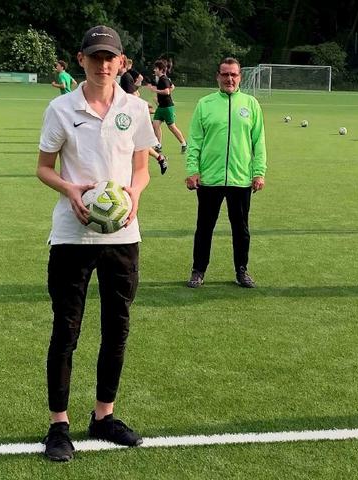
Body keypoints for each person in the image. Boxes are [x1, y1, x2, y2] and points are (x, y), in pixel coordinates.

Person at [36, 25, 158, 462]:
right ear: (81, 60)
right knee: (66, 329)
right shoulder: (60, 108)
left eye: (110, 58)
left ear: (121, 63)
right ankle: (58, 425)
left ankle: (104, 416)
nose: (103, 65)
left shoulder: (136, 109)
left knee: (117, 328)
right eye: (95, 57)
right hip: (72, 236)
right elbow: (44, 167)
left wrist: (135, 195)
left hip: (123, 235)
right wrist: (69, 189)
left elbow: (141, 169)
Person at [185, 57, 266, 289]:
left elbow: (259, 141)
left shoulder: (251, 104)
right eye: (225, 74)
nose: (229, 79)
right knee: (204, 228)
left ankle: (242, 270)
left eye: (233, 75)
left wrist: (259, 172)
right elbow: (195, 141)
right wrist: (192, 170)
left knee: (241, 229)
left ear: (240, 77)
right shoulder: (205, 104)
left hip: (240, 179)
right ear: (218, 77)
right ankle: (198, 270)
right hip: (210, 178)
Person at [118, 56, 167, 175]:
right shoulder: (126, 77)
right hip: (127, 114)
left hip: (130, 116)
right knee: (135, 143)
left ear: (121, 65)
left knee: (133, 143)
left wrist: (142, 108)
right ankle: (160, 158)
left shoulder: (125, 77)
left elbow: (132, 97)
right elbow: (135, 93)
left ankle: (135, 170)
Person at [147, 59, 187, 154]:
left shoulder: (163, 79)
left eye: (156, 68)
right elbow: (172, 87)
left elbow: (167, 91)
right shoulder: (163, 79)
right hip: (161, 107)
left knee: (171, 127)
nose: (154, 70)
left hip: (167, 107)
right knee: (155, 125)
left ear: (160, 70)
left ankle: (184, 143)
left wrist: (155, 91)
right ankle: (158, 145)